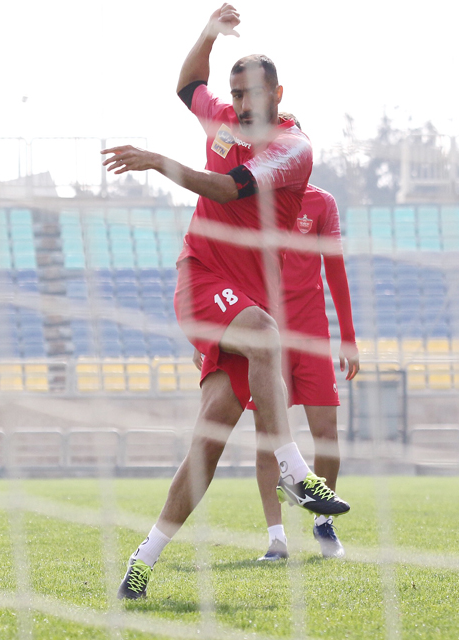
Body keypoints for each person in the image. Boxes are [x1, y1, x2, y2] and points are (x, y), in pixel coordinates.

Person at [103, 4, 349, 599]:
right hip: (204, 278)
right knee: (265, 331)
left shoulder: (294, 149)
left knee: (207, 443)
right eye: (234, 93)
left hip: (244, 308)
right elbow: (188, 84)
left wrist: (159, 161)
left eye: (250, 93)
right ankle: (296, 473)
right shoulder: (221, 119)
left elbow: (227, 187)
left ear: (278, 93)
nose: (238, 104)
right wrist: (209, 33)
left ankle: (143, 558)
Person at [192, 175, 359, 560]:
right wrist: (206, 335)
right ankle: (277, 537)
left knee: (327, 434)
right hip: (265, 332)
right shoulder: (249, 201)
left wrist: (348, 336)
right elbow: (216, 263)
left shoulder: (323, 203)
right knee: (268, 435)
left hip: (313, 334)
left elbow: (335, 268)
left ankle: (322, 523)